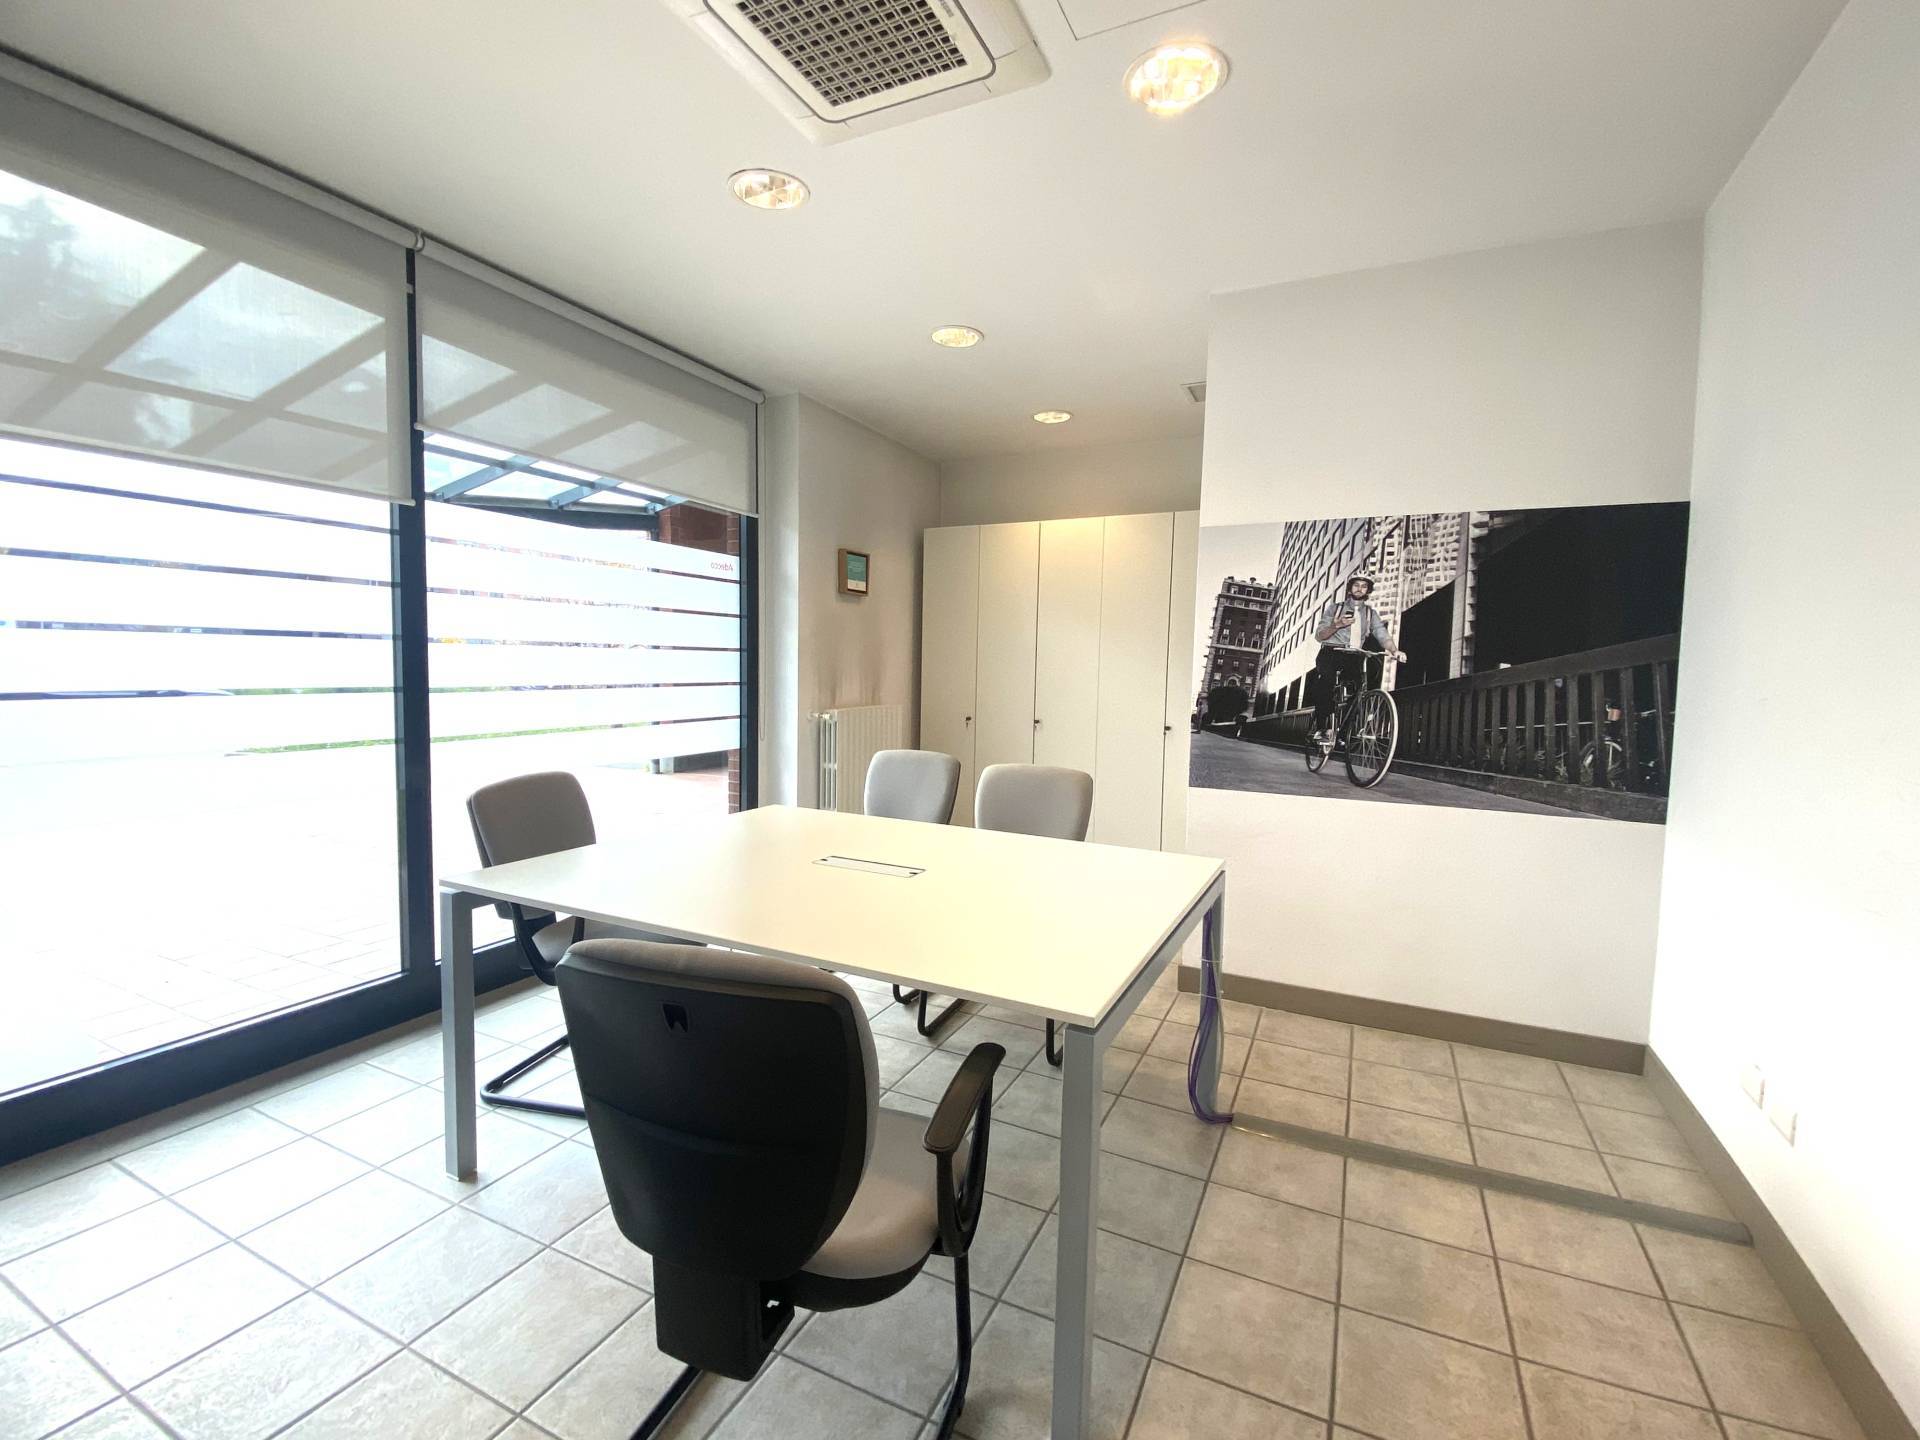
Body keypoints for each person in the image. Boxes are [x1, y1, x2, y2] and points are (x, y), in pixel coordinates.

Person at [1308, 575, 1404, 740]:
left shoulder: (1370, 614)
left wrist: (1395, 651)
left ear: (1368, 591)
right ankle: (1322, 728)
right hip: (1331, 652)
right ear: (1350, 588)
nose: (1360, 588)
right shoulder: (1335, 608)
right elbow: (1319, 635)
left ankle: (1344, 731)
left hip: (1354, 656)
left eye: (1364, 586)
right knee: (1326, 681)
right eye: (1356, 585)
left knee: (1364, 684)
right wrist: (1337, 625)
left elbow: (1382, 634)